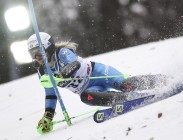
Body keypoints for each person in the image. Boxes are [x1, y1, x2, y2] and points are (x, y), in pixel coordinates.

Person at [27, 32, 165, 134]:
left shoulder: (62, 53)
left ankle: (161, 80)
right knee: (86, 97)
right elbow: (51, 95)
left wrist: (61, 75)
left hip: (100, 74)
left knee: (125, 85)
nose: (36, 57)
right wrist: (48, 117)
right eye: (33, 53)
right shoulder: (43, 73)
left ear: (49, 48)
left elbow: (74, 64)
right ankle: (126, 99)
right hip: (91, 88)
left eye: (39, 51)